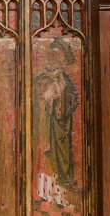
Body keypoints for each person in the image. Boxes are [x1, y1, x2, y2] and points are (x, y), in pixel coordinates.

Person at [33, 39, 79, 202]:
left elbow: (73, 100)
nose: (54, 60)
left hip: (60, 127)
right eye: (52, 55)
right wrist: (44, 99)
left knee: (61, 156)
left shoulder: (65, 80)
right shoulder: (40, 79)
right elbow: (33, 100)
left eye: (58, 57)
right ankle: (44, 192)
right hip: (44, 126)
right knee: (45, 157)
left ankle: (61, 193)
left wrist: (59, 102)